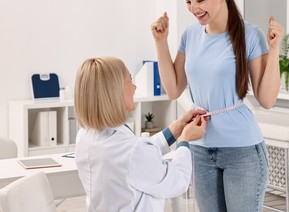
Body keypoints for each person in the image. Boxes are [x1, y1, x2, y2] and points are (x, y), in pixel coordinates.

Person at [151, 0, 284, 212]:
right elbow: (173, 90)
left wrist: (274, 50)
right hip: (200, 148)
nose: (194, 8)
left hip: (242, 151)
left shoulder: (250, 36)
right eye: (188, 1)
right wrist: (160, 42)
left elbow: (267, 99)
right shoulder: (190, 35)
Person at [74, 56, 207, 212]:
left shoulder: (85, 136)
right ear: (114, 91)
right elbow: (178, 182)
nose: (135, 87)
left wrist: (175, 130)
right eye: (130, 80)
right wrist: (185, 141)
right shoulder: (133, 151)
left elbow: (139, 156)